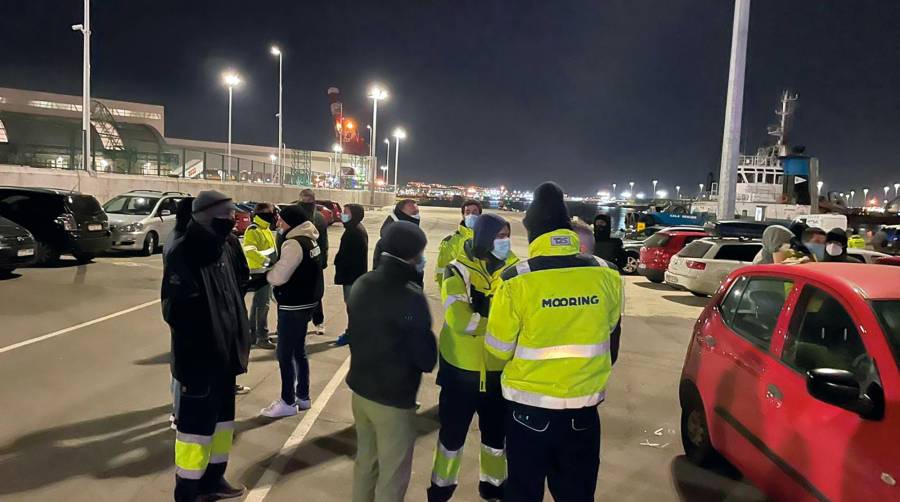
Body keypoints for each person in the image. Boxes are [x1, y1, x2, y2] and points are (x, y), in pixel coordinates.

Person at [485, 182, 623, 502]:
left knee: (522, 493)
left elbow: (496, 351)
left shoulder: (516, 280)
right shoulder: (608, 274)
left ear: (534, 232)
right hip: (584, 414)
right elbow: (611, 339)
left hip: (528, 415)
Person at [162, 190, 251, 502]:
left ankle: (214, 480)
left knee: (222, 424)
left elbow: (237, 288)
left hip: (225, 358)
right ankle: (187, 491)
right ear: (208, 214)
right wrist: (206, 341)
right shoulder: (184, 251)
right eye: (227, 214)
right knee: (194, 432)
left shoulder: (225, 246)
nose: (233, 219)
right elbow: (175, 311)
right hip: (200, 362)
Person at [428, 213, 519, 502]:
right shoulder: (458, 271)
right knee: (451, 440)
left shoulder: (516, 269)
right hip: (460, 373)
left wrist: (484, 320)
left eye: (507, 235)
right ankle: (441, 491)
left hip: (498, 373)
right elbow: (459, 321)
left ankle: (493, 489)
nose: (504, 242)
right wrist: (500, 324)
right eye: (498, 236)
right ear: (482, 237)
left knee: (496, 441)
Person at [346, 221, 437, 502]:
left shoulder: (364, 282)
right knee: (393, 475)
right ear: (413, 254)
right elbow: (425, 359)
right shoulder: (409, 296)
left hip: (360, 390)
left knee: (366, 463)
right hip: (393, 399)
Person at [260, 205, 325, 418]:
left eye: (281, 220)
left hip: (293, 304)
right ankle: (303, 397)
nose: (278, 223)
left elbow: (281, 275)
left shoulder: (293, 243)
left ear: (291, 222)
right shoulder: (310, 239)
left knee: (284, 354)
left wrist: (267, 277)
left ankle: (287, 401)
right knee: (299, 350)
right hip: (308, 302)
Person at [242, 203, 278, 350]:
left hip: (267, 270)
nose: (274, 216)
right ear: (263, 214)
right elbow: (250, 251)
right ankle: (261, 337)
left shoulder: (266, 229)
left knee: (258, 304)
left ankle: (252, 335)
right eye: (270, 213)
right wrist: (268, 261)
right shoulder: (254, 230)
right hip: (260, 271)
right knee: (263, 305)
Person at [332, 203, 368, 347]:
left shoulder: (354, 232)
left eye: (346, 212)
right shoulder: (354, 229)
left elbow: (350, 257)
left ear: (354, 215)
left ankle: (352, 333)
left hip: (352, 276)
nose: (342, 214)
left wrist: (338, 261)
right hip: (353, 275)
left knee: (352, 307)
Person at [298, 189, 329, 335]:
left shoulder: (316, 218)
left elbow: (323, 241)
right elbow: (325, 243)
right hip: (309, 260)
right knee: (312, 293)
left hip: (305, 261)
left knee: (311, 294)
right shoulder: (319, 217)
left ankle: (315, 321)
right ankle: (317, 322)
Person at [435, 199, 482, 286]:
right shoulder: (451, 242)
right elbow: (442, 271)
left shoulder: (489, 239)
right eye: (467, 212)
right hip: (460, 292)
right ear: (463, 215)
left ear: (480, 215)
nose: (471, 215)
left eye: (475, 212)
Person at [373, 198, 420, 270]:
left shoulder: (407, 234)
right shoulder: (391, 239)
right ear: (401, 214)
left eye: (417, 213)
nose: (417, 216)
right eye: (413, 213)